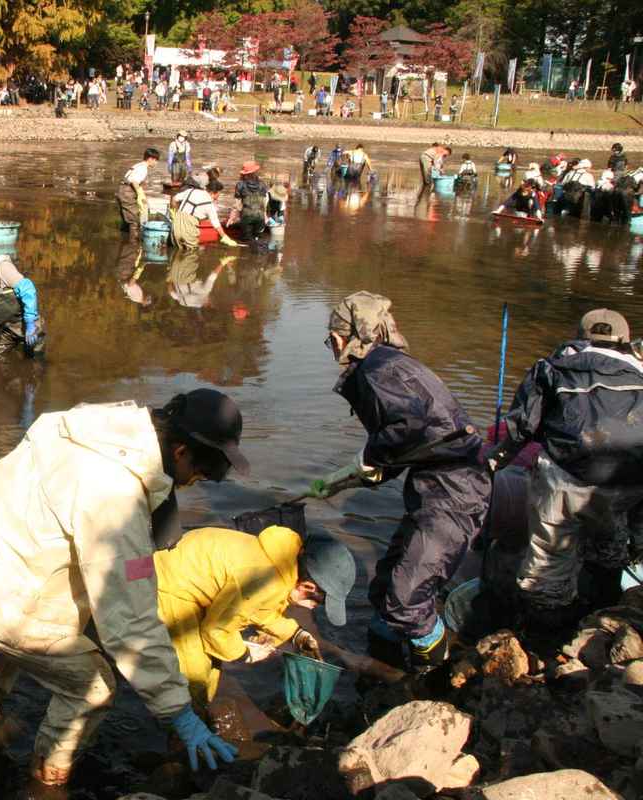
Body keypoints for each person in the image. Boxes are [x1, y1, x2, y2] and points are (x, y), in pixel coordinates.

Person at [0, 389, 247, 786]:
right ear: (180, 452)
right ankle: (47, 779)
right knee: (93, 687)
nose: (194, 483)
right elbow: (129, 619)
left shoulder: (100, 426)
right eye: (199, 474)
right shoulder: (116, 496)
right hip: (6, 592)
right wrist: (177, 711)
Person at [312, 292, 489, 671]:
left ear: (345, 337)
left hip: (455, 490)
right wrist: (350, 478)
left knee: (405, 600)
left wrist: (366, 460)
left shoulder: (378, 371)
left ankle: (434, 676)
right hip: (437, 485)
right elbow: (409, 441)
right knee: (385, 587)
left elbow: (408, 429)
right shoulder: (392, 364)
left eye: (331, 339)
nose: (332, 348)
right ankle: (382, 667)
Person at [486, 310, 643, 636]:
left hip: (567, 479)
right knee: (610, 549)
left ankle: (542, 638)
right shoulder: (640, 374)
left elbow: (521, 428)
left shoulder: (551, 369)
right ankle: (600, 620)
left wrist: (493, 463)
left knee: (548, 563)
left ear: (580, 337)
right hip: (628, 482)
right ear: (625, 341)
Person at [154, 526, 355, 710]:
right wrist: (244, 654)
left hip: (188, 572)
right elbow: (215, 630)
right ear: (307, 587)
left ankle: (199, 712)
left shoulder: (283, 563)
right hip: (169, 584)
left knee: (213, 662)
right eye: (318, 602)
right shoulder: (263, 581)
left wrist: (295, 634)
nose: (314, 607)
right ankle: (184, 730)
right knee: (196, 672)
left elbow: (257, 610)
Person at [170, 171, 238, 249]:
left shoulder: (191, 191)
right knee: (190, 256)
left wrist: (174, 211)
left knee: (177, 253)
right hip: (188, 230)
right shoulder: (209, 204)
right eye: (219, 193)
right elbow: (216, 223)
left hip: (175, 228)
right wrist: (225, 237)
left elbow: (174, 198)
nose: (218, 196)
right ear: (213, 193)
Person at [117, 147, 160, 241]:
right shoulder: (143, 168)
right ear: (150, 159)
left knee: (126, 220)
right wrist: (140, 194)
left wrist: (141, 195)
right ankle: (133, 245)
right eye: (156, 160)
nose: (156, 163)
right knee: (134, 221)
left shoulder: (138, 165)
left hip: (122, 190)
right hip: (127, 192)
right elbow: (135, 182)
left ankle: (123, 241)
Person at [229, 161, 270, 241]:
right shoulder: (262, 184)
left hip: (247, 217)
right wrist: (265, 217)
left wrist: (232, 218)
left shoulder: (240, 184)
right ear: (255, 172)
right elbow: (264, 202)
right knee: (258, 240)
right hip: (260, 217)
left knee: (246, 241)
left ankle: (246, 253)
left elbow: (237, 205)